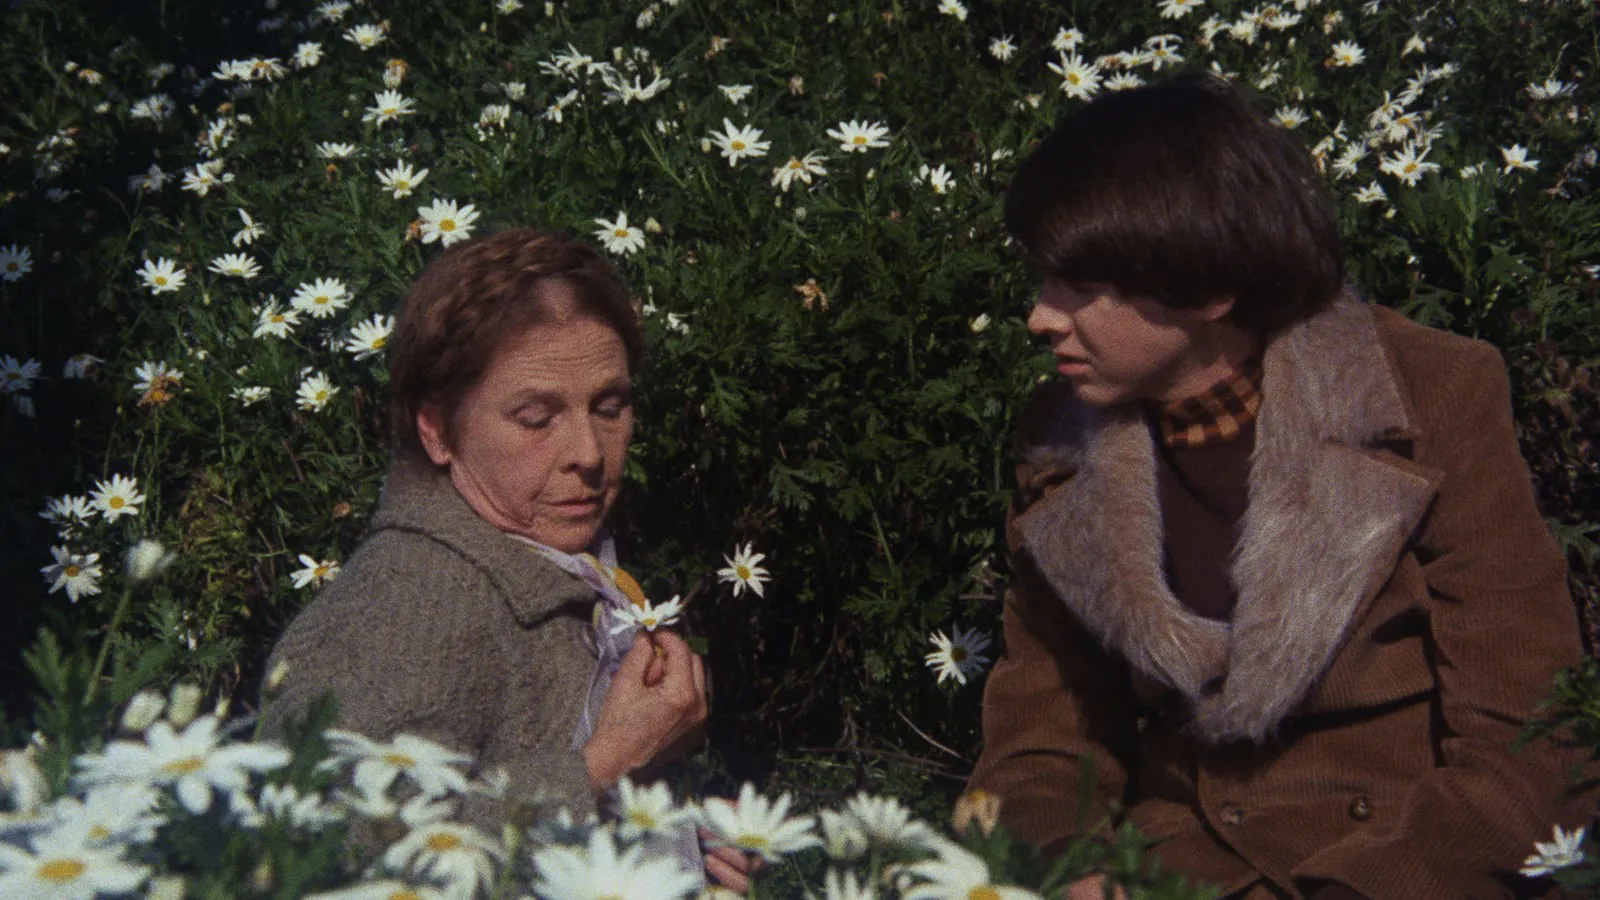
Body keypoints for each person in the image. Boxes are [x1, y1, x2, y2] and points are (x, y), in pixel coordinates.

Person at [966, 73, 1593, 899]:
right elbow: (1042, 745)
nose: (1040, 318)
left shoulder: (1431, 393)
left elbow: (1532, 736)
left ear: (1206, 285)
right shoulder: (1059, 444)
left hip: (1399, 869)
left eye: (1079, 287)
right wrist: (1067, 868)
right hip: (1174, 877)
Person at [260, 228, 751, 890]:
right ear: (437, 429)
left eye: (610, 407)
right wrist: (607, 763)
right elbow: (330, 862)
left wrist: (682, 838)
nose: (589, 452)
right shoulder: (406, 607)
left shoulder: (559, 568)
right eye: (535, 418)